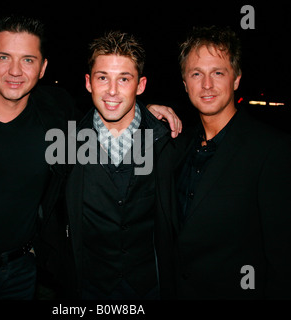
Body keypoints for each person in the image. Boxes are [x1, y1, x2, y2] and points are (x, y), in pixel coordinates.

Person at [0, 15, 181, 300]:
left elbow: (114, 108)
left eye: (28, 60)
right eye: (4, 57)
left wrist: (147, 110)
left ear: (42, 68)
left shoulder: (57, 112)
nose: (15, 71)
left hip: (21, 271)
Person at [40, 31, 181, 300]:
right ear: (88, 82)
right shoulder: (66, 145)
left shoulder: (167, 142)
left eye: (124, 79)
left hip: (150, 288)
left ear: (140, 85)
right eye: (103, 77)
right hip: (86, 290)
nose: (112, 91)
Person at [171, 25, 291, 299]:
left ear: (236, 79)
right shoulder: (176, 146)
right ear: (185, 84)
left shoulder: (272, 151)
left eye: (218, 73)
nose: (207, 84)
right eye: (196, 74)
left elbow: (289, 264)